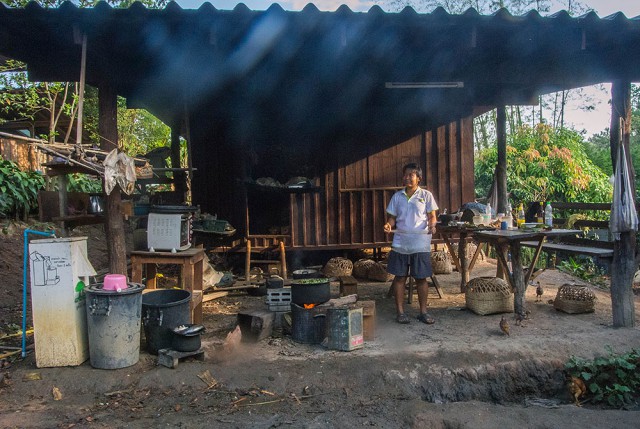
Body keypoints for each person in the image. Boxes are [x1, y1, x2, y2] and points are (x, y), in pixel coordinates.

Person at [383, 163, 438, 324]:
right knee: (400, 278)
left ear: (418, 178)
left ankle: (423, 312)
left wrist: (433, 224)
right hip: (400, 243)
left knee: (421, 278)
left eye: (411, 175)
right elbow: (392, 218)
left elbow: (432, 216)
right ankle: (400, 312)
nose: (407, 177)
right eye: (405, 175)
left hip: (420, 243)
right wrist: (388, 225)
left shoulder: (426, 195)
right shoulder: (397, 197)